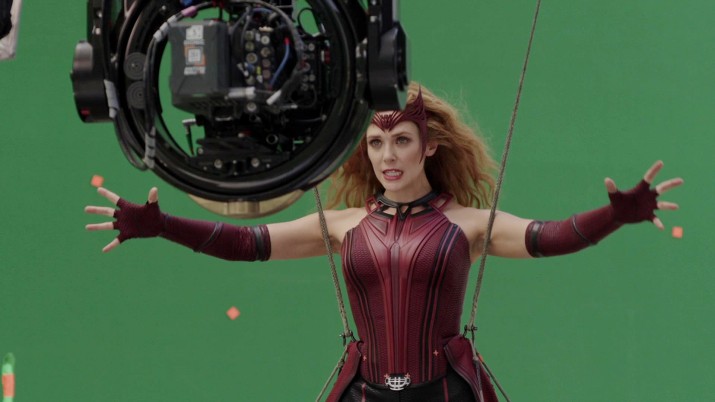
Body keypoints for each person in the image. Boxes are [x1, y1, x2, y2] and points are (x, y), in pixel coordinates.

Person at [85, 83, 683, 402]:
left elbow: (549, 238)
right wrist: (162, 225)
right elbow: (247, 243)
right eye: (375, 143)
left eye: (401, 141)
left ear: (429, 147)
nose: (387, 155)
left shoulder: (469, 223)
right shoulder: (345, 224)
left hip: (445, 394)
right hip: (365, 394)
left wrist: (616, 215)